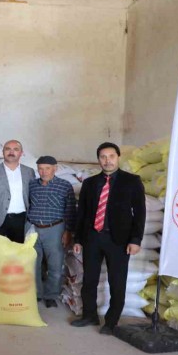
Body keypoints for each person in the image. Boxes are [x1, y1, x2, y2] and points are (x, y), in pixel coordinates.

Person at [72, 142, 146, 335]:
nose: (107, 161)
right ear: (98, 159)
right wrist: (78, 239)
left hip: (118, 240)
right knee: (89, 279)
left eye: (111, 156)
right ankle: (89, 315)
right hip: (92, 238)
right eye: (103, 157)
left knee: (117, 281)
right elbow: (82, 213)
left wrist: (135, 240)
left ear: (118, 157)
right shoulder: (89, 183)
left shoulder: (132, 181)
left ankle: (111, 321)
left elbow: (139, 213)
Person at [27, 156, 76, 308]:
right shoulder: (32, 185)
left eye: (47, 168)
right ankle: (36, 294)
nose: (43, 172)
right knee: (33, 264)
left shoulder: (64, 186)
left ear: (55, 168)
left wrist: (68, 231)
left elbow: (70, 209)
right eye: (40, 168)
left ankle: (51, 295)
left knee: (55, 265)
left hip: (55, 229)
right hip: (33, 228)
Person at [0, 140, 36, 244]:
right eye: (8, 149)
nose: (11, 152)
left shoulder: (29, 172)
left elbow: (33, 197)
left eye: (15, 149)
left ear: (21, 153)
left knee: (17, 251)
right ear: (3, 152)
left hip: (20, 220)